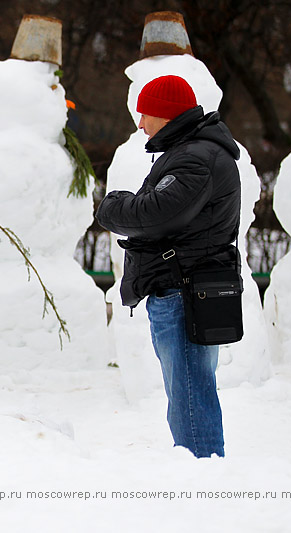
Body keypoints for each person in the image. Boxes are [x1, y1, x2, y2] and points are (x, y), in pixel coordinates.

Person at [95, 75, 241, 458]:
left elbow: (153, 215)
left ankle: (201, 475)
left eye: (145, 114)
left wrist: (111, 205)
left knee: (190, 393)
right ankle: (199, 469)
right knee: (189, 390)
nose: (140, 124)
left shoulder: (196, 157)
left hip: (183, 292)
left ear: (166, 113)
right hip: (185, 287)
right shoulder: (193, 152)